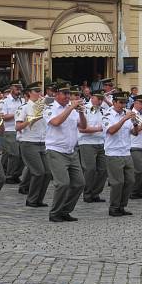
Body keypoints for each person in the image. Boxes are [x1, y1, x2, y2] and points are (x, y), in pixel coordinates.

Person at [44, 82, 87, 222]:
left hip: (71, 151)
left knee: (79, 183)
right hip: (55, 150)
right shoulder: (50, 108)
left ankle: (65, 210)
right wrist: (71, 108)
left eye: (69, 94)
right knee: (62, 183)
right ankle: (55, 213)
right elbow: (56, 122)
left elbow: (84, 127)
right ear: (56, 94)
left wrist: (81, 113)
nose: (67, 96)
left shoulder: (73, 110)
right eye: (64, 94)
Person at [102, 91, 141, 217]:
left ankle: (122, 206)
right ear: (113, 102)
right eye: (120, 102)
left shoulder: (126, 114)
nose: (123, 105)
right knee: (117, 182)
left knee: (130, 181)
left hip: (126, 152)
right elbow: (112, 130)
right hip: (113, 153)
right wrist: (124, 119)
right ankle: (114, 207)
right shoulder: (107, 115)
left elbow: (134, 133)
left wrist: (135, 123)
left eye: (125, 102)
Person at [15, 81, 51, 209]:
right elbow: (18, 126)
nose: (39, 94)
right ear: (29, 93)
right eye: (36, 91)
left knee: (47, 173)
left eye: (40, 91)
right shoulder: (24, 107)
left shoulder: (45, 107)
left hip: (42, 142)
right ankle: (31, 199)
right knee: (38, 172)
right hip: (29, 142)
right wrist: (31, 120)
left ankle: (38, 199)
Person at [78, 91, 107, 204]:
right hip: (87, 142)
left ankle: (96, 193)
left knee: (103, 169)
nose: (100, 101)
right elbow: (81, 129)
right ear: (91, 97)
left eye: (101, 99)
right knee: (90, 169)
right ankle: (87, 194)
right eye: (98, 98)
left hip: (101, 142)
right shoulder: (84, 109)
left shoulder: (104, 110)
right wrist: (98, 129)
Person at [0, 81, 24, 184]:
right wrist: (17, 113)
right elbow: (2, 117)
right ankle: (9, 175)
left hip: (21, 130)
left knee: (22, 155)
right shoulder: (4, 102)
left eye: (20, 88)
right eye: (17, 88)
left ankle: (16, 174)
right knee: (14, 154)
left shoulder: (22, 101)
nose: (19, 90)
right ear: (11, 88)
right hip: (9, 130)